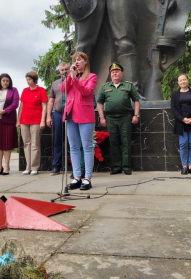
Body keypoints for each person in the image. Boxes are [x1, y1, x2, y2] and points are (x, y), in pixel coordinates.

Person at [62, 52, 97, 190]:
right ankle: (76, 177)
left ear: (85, 62)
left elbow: (86, 91)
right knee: (74, 147)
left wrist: (75, 79)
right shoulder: (72, 76)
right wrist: (71, 76)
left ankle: (87, 178)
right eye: (75, 60)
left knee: (87, 146)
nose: (77, 61)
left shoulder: (91, 76)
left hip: (85, 115)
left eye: (80, 59)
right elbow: (62, 89)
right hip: (70, 114)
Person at [97, 62, 140, 175]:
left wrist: (136, 115)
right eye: (113, 72)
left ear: (121, 73)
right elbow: (100, 103)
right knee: (114, 142)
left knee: (126, 142)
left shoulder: (128, 85)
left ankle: (126, 167)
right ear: (110, 74)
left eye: (117, 71)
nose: (115, 73)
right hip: (110, 118)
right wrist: (102, 117)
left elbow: (136, 100)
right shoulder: (105, 87)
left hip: (125, 117)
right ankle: (116, 167)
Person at [16, 71, 48, 175]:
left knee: (35, 144)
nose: (28, 82)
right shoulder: (25, 91)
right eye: (27, 80)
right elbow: (21, 106)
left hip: (36, 120)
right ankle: (28, 167)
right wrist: (18, 120)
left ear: (34, 80)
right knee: (26, 143)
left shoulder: (41, 91)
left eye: (29, 80)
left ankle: (35, 167)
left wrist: (43, 120)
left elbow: (44, 106)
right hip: (24, 120)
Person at [171, 74, 191, 175]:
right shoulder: (175, 94)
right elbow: (173, 108)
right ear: (178, 82)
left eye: (184, 79)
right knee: (183, 144)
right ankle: (184, 166)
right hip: (181, 122)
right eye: (180, 80)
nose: (183, 82)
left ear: (187, 80)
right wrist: (182, 118)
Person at [46, 62, 71, 175]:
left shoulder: (74, 82)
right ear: (59, 71)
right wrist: (48, 116)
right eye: (62, 70)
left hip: (72, 114)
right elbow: (51, 101)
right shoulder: (55, 84)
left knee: (72, 141)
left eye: (66, 69)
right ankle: (56, 166)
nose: (64, 71)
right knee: (57, 141)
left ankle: (74, 167)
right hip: (58, 114)